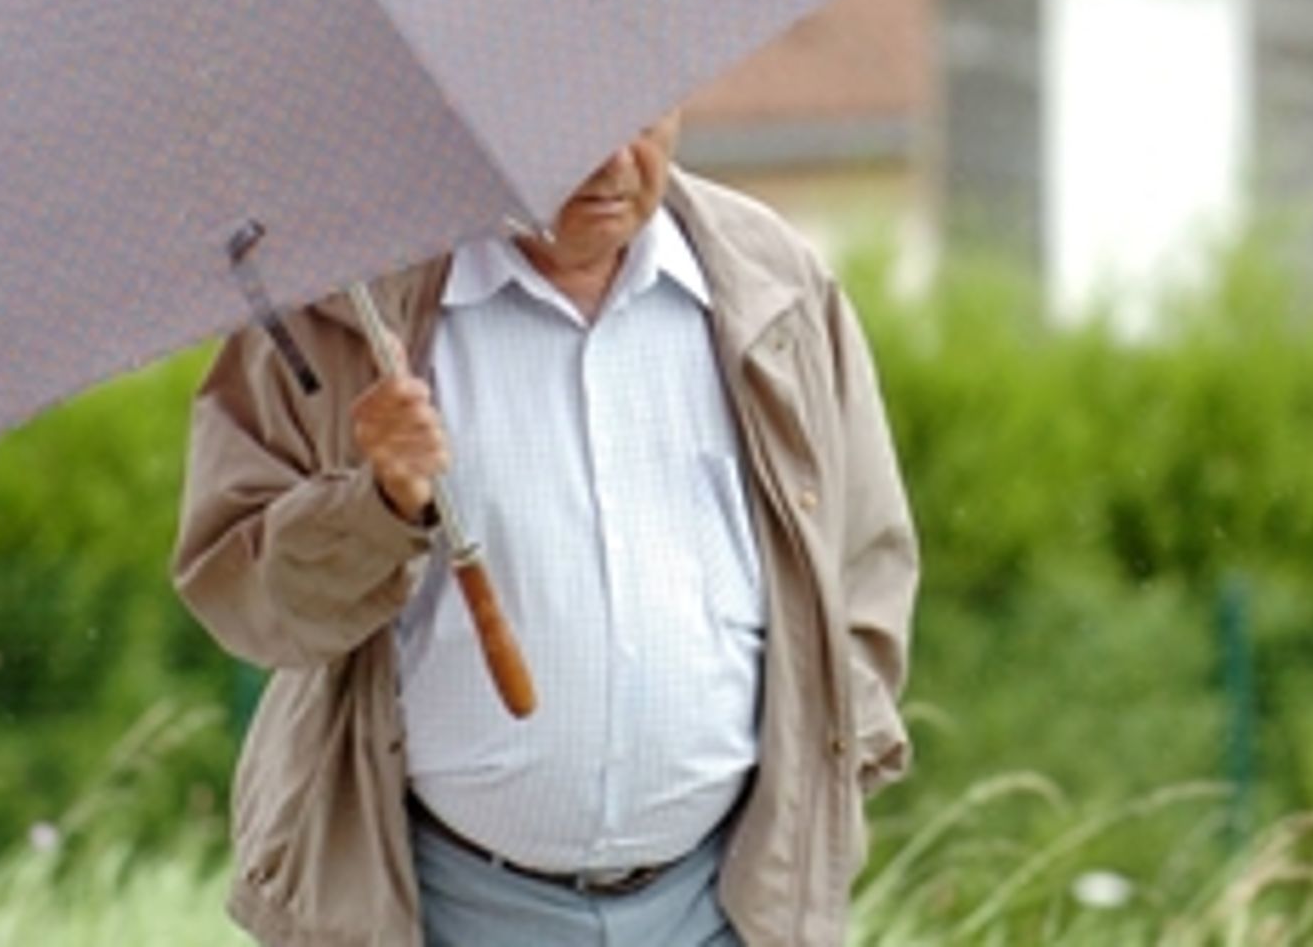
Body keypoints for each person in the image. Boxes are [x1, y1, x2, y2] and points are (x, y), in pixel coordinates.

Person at [173, 109, 918, 947]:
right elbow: (239, 590)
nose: (607, 160)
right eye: (572, 125)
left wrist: (824, 779)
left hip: (726, 905)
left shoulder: (775, 283)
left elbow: (864, 558)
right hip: (444, 908)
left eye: (638, 117)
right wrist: (377, 502)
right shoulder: (343, 308)